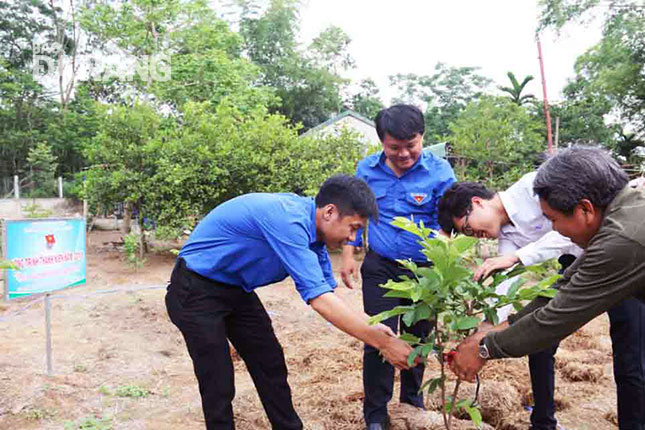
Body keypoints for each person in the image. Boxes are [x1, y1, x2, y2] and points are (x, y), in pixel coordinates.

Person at [166, 175, 414, 430]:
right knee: (218, 377)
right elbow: (319, 301)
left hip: (235, 289)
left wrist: (375, 328)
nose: (352, 238)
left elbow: (330, 293)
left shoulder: (314, 238)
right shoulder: (288, 220)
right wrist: (380, 343)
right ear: (330, 212)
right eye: (353, 227)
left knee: (270, 361)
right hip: (195, 287)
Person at [450, 147, 645, 430]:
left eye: (553, 220)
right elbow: (562, 289)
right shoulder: (620, 219)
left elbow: (556, 319)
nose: (555, 230)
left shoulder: (622, 241)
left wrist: (484, 350)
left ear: (585, 209)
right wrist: (496, 328)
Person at [340, 104, 456, 430]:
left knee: (418, 337)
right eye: (395, 147)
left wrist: (443, 263)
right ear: (382, 142)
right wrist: (349, 253)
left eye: (411, 145)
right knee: (379, 337)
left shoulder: (441, 172)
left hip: (424, 269)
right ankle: (376, 416)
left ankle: (411, 403)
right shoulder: (367, 169)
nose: (404, 153)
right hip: (380, 267)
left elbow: (446, 223)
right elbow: (356, 215)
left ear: (422, 138)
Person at [438, 174, 583, 430]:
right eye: (467, 235)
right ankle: (543, 423)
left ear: (478, 202)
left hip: (613, 251)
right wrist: (479, 335)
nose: (477, 236)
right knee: (539, 339)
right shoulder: (507, 238)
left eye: (469, 229)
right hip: (575, 265)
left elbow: (571, 229)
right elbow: (502, 289)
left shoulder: (535, 186)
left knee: (630, 350)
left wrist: (517, 257)